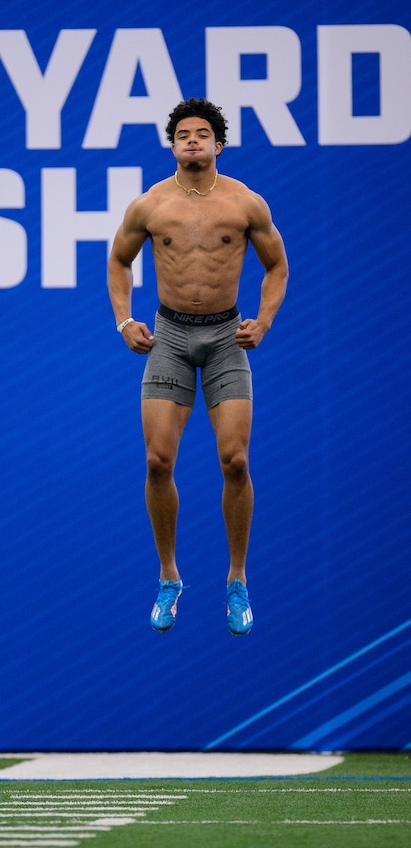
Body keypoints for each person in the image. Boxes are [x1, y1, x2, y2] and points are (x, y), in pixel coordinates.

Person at [108, 97, 289, 636]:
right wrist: (124, 321)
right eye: (182, 133)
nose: (191, 140)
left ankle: (237, 580)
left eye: (201, 133)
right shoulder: (150, 205)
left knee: (234, 461)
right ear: (172, 144)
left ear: (218, 144)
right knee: (158, 461)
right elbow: (119, 260)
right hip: (168, 336)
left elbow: (276, 265)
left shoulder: (244, 203)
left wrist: (265, 321)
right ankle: (169, 576)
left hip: (225, 336)